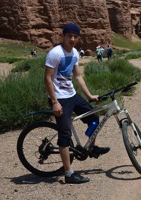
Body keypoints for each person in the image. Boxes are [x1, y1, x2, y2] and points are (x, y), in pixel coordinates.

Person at [44, 23, 110, 184]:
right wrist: (55, 102)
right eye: (69, 36)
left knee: (94, 118)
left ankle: (91, 147)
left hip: (72, 95)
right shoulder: (55, 53)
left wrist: (89, 95)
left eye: (75, 36)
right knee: (65, 135)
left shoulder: (74, 53)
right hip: (59, 98)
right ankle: (68, 174)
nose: (72, 39)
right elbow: (47, 78)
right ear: (63, 36)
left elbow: (78, 76)